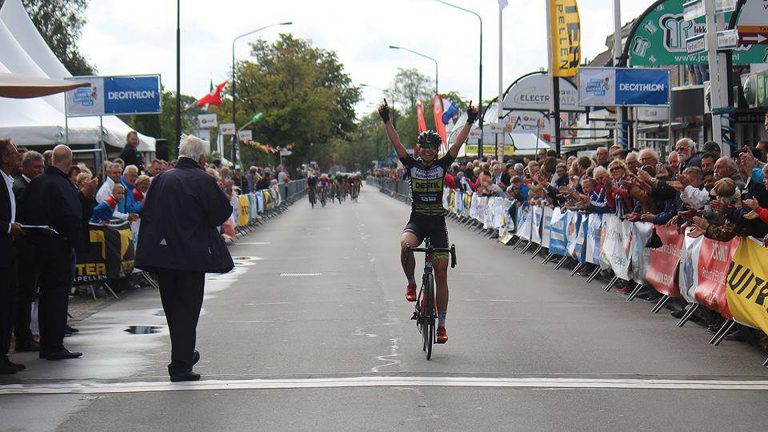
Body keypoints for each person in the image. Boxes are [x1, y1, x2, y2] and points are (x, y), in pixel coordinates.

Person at [135, 135, 234, 382]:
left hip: (164, 254)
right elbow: (221, 212)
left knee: (172, 309)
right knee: (188, 310)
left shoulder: (161, 179)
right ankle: (181, 363)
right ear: (201, 158)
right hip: (191, 254)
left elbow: (148, 215)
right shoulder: (203, 179)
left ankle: (183, 355)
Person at [378, 99, 477, 344]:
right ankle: (412, 284)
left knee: (441, 273)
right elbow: (396, 143)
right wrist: (386, 119)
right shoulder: (411, 165)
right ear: (419, 149)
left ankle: (441, 325)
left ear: (437, 149)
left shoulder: (443, 165)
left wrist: (470, 120)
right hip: (418, 221)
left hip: (437, 224)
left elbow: (458, 143)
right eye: (424, 147)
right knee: (405, 245)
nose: (428, 151)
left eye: (433, 148)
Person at [19, 145, 96, 361]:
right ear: (69, 162)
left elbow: (23, 211)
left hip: (37, 248)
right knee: (57, 298)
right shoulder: (62, 185)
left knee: (44, 297)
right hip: (58, 249)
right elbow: (72, 216)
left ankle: (47, 344)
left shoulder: (37, 183)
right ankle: (54, 345)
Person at [12, 150, 44, 354]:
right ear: (25, 167)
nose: (39, 171)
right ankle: (23, 337)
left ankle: (26, 335)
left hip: (31, 248)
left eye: (42, 167)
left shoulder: (31, 186)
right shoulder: (20, 187)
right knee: (24, 294)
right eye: (36, 167)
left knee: (29, 293)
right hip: (23, 249)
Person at [0, 139, 26, 374]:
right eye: (14, 152)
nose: (19, 156)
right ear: (4, 157)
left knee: (9, 303)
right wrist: (9, 227)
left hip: (9, 250)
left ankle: (3, 354)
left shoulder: (9, 180)